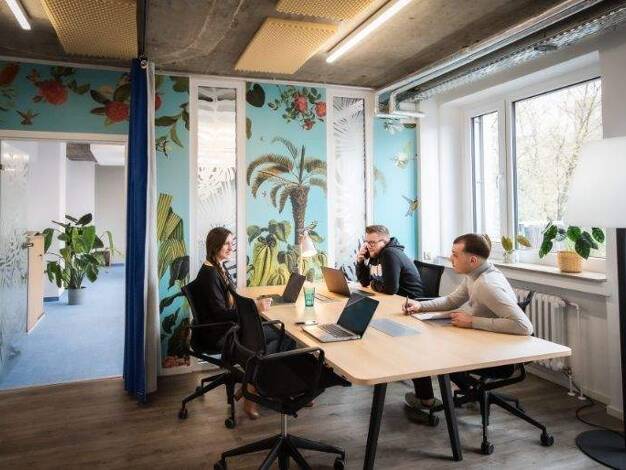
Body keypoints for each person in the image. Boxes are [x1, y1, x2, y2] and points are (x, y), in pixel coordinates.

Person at [402, 233, 533, 404]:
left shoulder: (486, 284)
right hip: (485, 342)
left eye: (455, 255)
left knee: (429, 351)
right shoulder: (475, 274)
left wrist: (472, 322)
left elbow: (524, 326)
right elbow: (452, 300)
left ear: (472, 260)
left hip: (499, 355)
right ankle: (470, 391)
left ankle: (432, 400)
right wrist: (420, 306)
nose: (451, 258)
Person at [194, 227, 292, 420]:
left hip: (228, 326)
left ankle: (257, 384)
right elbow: (220, 314)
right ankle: (253, 390)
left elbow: (232, 301)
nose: (231, 248)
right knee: (278, 338)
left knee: (282, 334)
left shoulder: (218, 267)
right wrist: (253, 309)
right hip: (220, 332)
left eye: (232, 243)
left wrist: (253, 304)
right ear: (215, 246)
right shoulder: (210, 274)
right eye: (227, 244)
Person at [355, 225, 437, 422]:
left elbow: (390, 289)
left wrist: (374, 284)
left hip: (409, 308)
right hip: (394, 306)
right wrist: (360, 260)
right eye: (366, 242)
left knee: (411, 350)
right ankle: (383, 371)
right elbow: (365, 282)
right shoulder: (376, 255)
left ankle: (426, 397)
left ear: (385, 241)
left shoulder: (390, 254)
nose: (368, 245)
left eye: (372, 242)